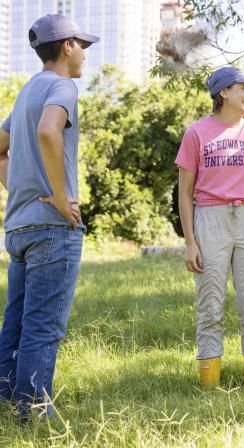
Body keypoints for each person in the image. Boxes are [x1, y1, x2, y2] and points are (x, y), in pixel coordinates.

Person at [0, 14, 99, 418]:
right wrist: (60, 198)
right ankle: (35, 411)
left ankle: (8, 399)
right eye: (83, 46)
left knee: (17, 322)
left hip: (19, 226)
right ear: (67, 47)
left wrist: (21, 190)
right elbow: (48, 131)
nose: (85, 56)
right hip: (52, 228)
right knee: (44, 325)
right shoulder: (62, 86)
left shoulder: (26, 92)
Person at [176, 66, 244, 392]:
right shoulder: (196, 133)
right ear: (223, 93)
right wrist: (190, 242)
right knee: (210, 306)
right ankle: (209, 390)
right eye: (243, 88)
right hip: (210, 220)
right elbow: (184, 192)